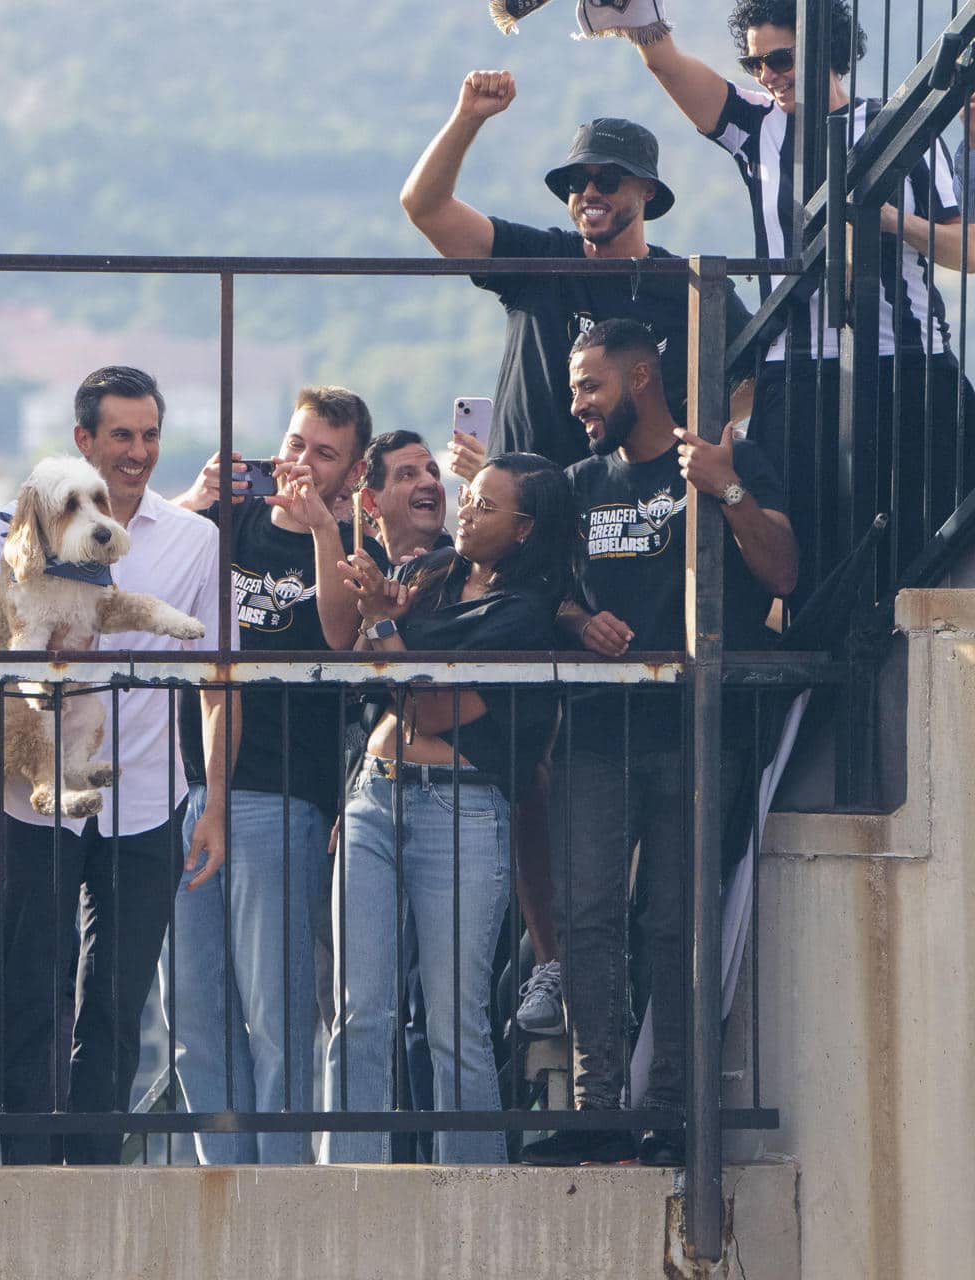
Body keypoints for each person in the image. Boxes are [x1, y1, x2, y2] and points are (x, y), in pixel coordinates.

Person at [0, 365, 230, 1165]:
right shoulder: (11, 531)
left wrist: (216, 807)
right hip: (37, 800)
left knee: (118, 1002)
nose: (137, 453)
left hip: (152, 800)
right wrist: (30, 638)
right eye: (121, 436)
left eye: (150, 435)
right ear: (84, 442)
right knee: (32, 990)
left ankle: (93, 1169)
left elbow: (219, 681)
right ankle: (30, 1169)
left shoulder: (195, 540)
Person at [522, 319, 796, 1167]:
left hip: (693, 733)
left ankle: (673, 1107)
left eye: (589, 386)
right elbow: (541, 594)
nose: (576, 405)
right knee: (590, 918)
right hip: (599, 735)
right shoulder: (577, 481)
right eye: (573, 387)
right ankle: (598, 1107)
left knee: (678, 918)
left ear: (641, 377)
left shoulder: (721, 458)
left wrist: (727, 490)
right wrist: (578, 617)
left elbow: (784, 572)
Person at [617, 0, 970, 584]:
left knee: (931, 536)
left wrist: (887, 220)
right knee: (808, 547)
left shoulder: (903, 127)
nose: (768, 76)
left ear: (828, 52)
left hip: (910, 361)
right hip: (797, 372)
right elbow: (664, 61)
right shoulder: (759, 127)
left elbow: (964, 250)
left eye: (780, 59)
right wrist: (632, 17)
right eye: (754, 64)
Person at [321, 452, 575, 1165]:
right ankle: (348, 1179)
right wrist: (372, 605)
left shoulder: (522, 613)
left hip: (461, 811)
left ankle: (471, 1198)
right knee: (357, 1011)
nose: (466, 509)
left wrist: (384, 631)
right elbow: (359, 654)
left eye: (486, 506)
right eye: (471, 496)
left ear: (524, 529)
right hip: (373, 791)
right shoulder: (428, 576)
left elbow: (431, 708)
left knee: (453, 1020)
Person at [168, 386, 373, 1164]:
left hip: (283, 791)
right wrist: (193, 496)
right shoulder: (229, 520)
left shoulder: (357, 539)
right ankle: (223, 1174)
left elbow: (339, 636)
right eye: (296, 444)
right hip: (189, 786)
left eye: (323, 453)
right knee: (193, 1007)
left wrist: (325, 529)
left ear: (352, 472)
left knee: (275, 1007)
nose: (300, 463)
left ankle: (284, 1184)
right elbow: (138, 558)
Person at [401, 71, 751, 468]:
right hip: (523, 504)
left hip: (630, 509)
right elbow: (425, 207)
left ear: (647, 190)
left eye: (609, 179)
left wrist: (691, 427)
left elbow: (761, 369)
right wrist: (468, 116)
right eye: (576, 180)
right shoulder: (538, 257)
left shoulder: (687, 284)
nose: (589, 192)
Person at [356, 430, 449, 563]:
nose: (431, 482)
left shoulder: (468, 571)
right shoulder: (353, 576)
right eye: (408, 475)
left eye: (433, 472)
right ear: (371, 502)